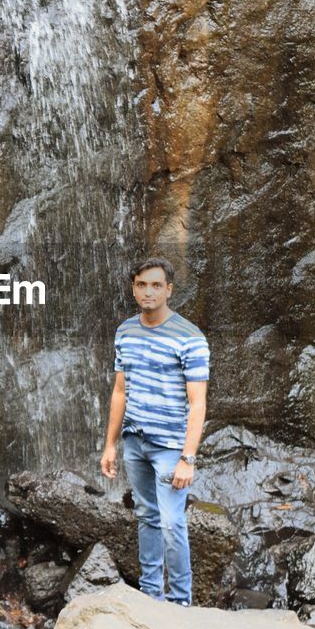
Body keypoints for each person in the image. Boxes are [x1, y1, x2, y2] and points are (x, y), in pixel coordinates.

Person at [100, 257, 209, 606]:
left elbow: (198, 403)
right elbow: (120, 391)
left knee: (172, 523)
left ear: (169, 290)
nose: (149, 292)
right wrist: (110, 445)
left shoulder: (190, 337)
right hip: (135, 441)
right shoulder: (125, 331)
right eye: (142, 285)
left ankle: (180, 601)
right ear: (134, 288)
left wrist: (187, 458)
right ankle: (151, 595)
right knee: (146, 515)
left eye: (156, 285)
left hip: (170, 448)